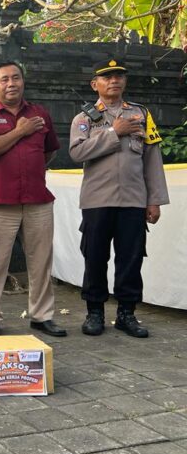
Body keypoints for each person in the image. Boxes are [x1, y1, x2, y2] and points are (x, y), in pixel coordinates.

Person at [69, 58, 169, 338]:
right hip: (97, 201)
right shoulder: (85, 118)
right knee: (95, 257)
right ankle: (95, 313)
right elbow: (77, 153)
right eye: (107, 77)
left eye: (119, 76)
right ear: (95, 84)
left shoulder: (141, 115)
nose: (114, 81)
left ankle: (127, 313)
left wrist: (154, 200)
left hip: (133, 201)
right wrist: (115, 132)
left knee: (131, 259)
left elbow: (152, 159)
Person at [0, 61, 67, 337]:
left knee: (41, 261)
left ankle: (41, 316)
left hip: (37, 200)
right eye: (4, 80)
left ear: (23, 81)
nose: (11, 83)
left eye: (16, 78)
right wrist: (20, 131)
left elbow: (49, 152)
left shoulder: (40, 114)